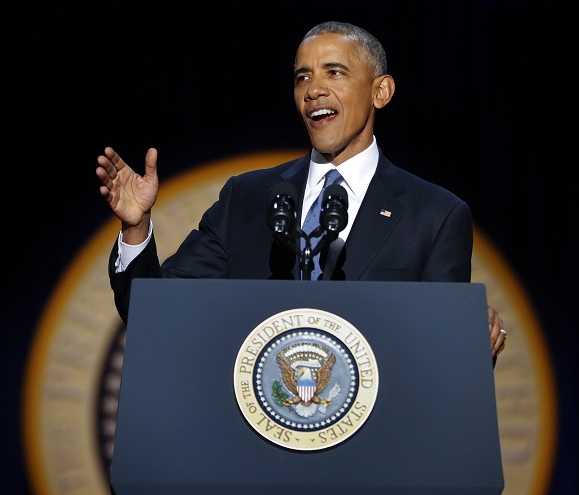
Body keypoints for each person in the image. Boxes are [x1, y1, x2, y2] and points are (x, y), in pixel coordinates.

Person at [95, 21, 507, 361]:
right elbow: (155, 315)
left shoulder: (434, 215)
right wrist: (136, 228)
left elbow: (439, 360)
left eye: (335, 72)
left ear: (381, 91)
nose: (313, 90)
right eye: (302, 77)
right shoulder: (247, 198)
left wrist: (469, 345)